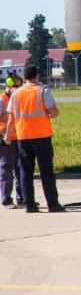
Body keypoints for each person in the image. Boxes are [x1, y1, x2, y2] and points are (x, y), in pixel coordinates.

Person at [4, 65, 64, 212]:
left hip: (23, 136)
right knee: (46, 171)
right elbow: (54, 112)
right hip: (42, 136)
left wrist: (7, 135)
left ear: (24, 77)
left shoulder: (16, 94)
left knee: (25, 171)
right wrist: (49, 114)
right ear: (37, 76)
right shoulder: (43, 90)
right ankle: (52, 204)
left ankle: (29, 204)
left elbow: (11, 118)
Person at [0, 73, 21, 207]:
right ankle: (6, 198)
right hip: (5, 139)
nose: (18, 88)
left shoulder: (17, 98)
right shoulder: (1, 101)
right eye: (16, 85)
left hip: (18, 137)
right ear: (9, 84)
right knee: (6, 168)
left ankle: (22, 197)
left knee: (20, 169)